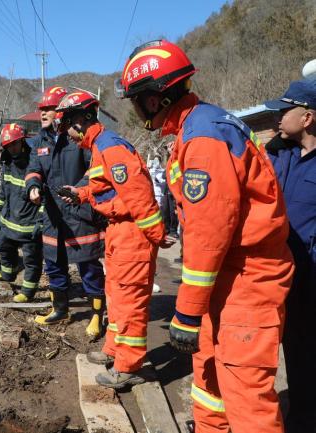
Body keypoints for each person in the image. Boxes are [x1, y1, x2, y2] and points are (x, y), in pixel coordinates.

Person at [115, 39, 293, 432]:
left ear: (154, 99)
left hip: (248, 280)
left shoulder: (203, 139)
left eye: (136, 100)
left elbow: (208, 234)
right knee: (209, 370)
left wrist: (186, 311)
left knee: (247, 394)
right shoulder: (199, 127)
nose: (135, 109)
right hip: (227, 278)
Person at [56, 90, 172, 388]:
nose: (66, 135)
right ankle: (113, 350)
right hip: (118, 231)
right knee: (117, 296)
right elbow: (108, 188)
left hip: (132, 233)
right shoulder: (100, 147)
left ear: (80, 120)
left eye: (66, 126)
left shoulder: (110, 146)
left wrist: (157, 235)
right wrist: (80, 193)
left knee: (130, 300)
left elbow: (139, 195)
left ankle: (128, 366)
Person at [25, 86, 106, 338]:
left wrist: (79, 190)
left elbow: (94, 170)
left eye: (48, 109)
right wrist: (33, 185)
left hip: (79, 214)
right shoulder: (40, 141)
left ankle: (96, 315)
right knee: (54, 265)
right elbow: (34, 167)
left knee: (88, 266)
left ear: (63, 111)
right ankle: (60, 309)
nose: (43, 113)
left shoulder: (78, 136)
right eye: (42, 109)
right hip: (52, 216)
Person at [264, 79, 316, 433]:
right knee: (284, 353)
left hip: (311, 279)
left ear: (308, 117)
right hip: (277, 276)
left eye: (286, 111)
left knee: (306, 356)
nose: (279, 118)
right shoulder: (280, 153)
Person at [0, 123, 43, 302]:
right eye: (7, 146)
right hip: (9, 220)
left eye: (14, 144)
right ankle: (7, 274)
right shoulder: (7, 162)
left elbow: (44, 195)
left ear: (22, 142)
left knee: (31, 260)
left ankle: (27, 292)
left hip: (29, 224)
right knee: (4, 247)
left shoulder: (34, 162)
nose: (11, 149)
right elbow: (4, 189)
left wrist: (41, 220)